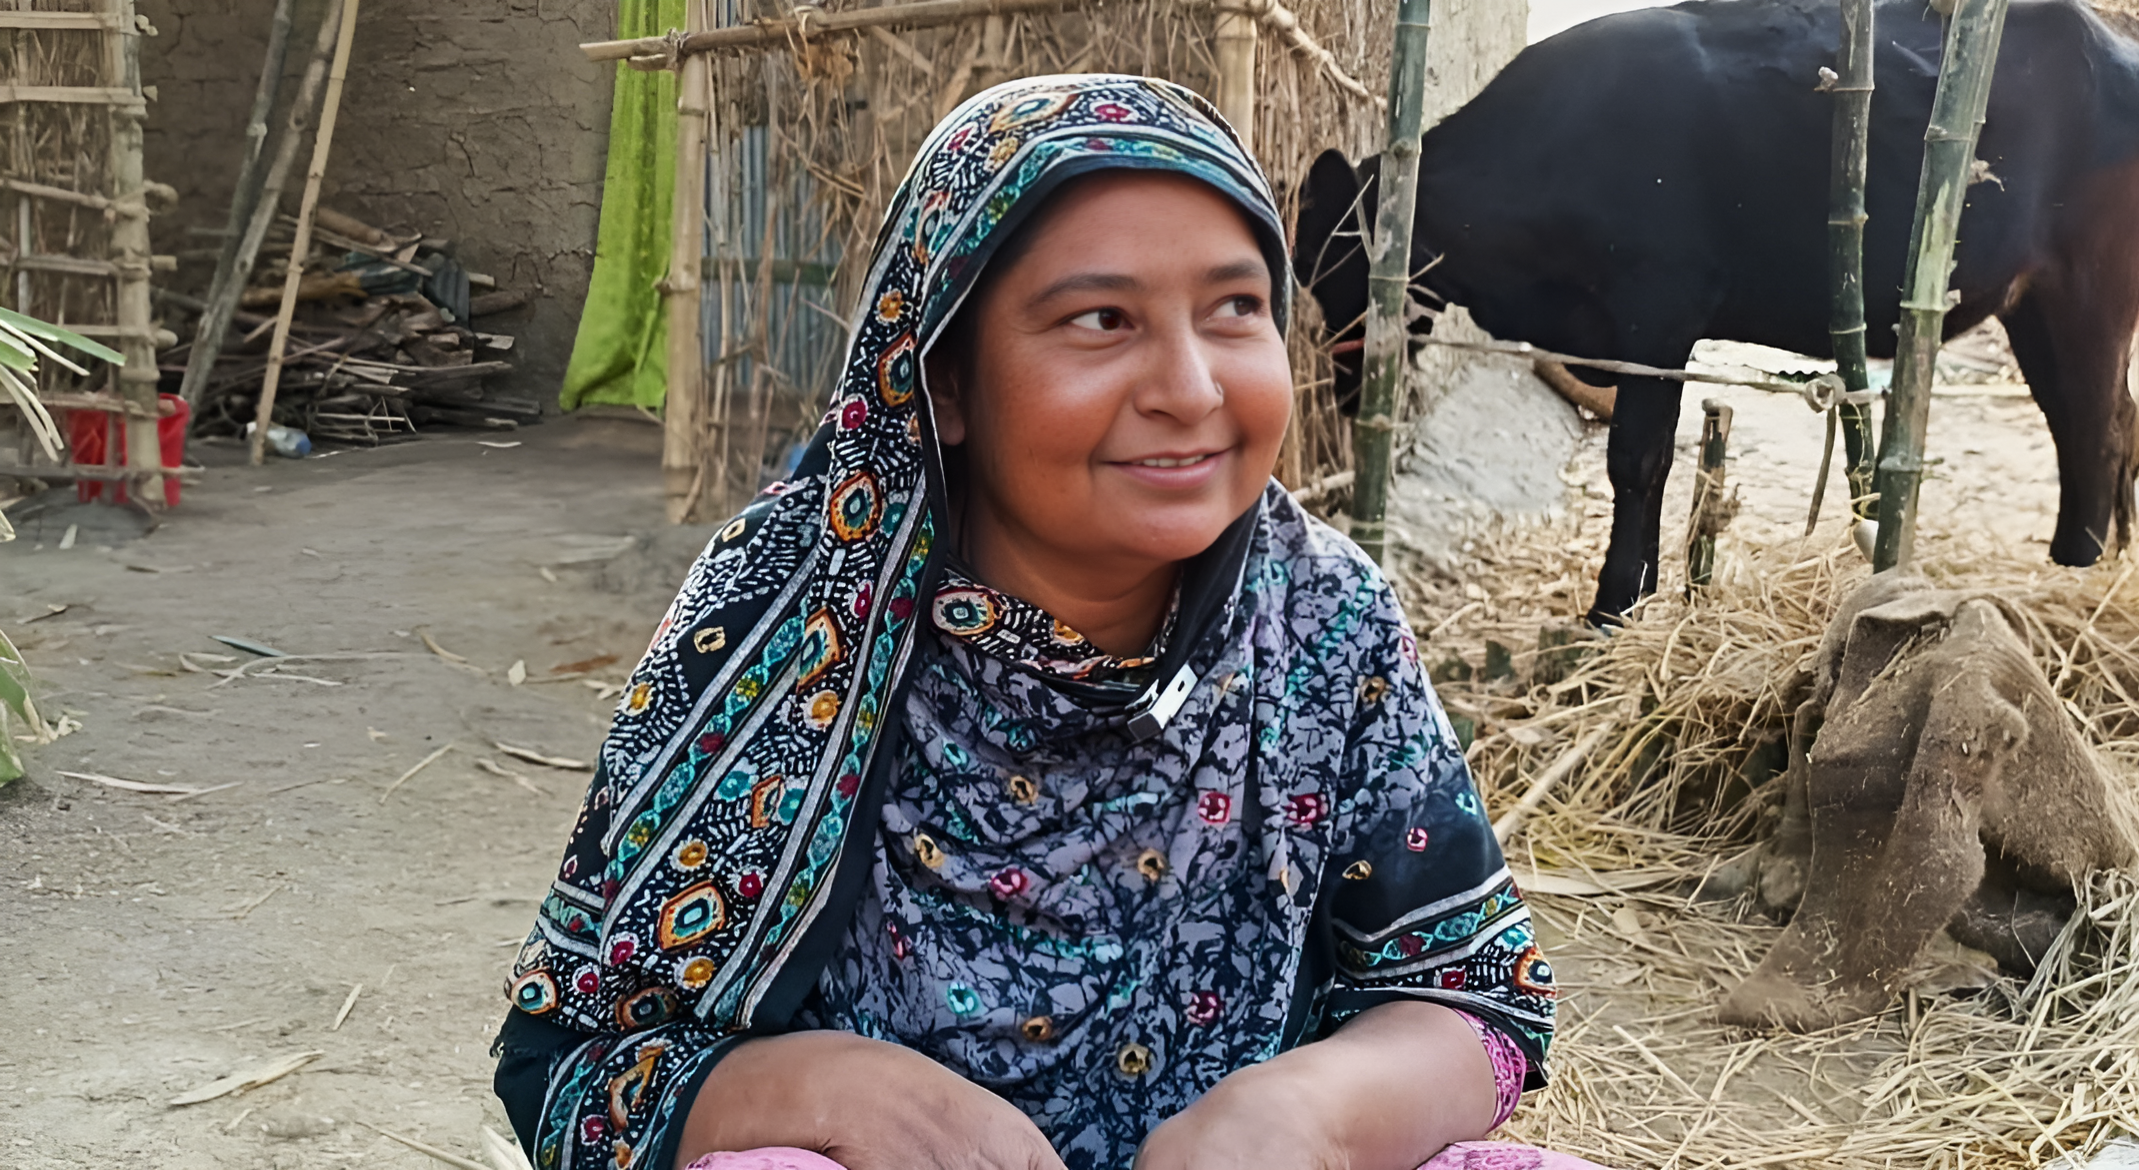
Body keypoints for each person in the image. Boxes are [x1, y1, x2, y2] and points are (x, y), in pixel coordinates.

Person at [494, 74, 1598, 1170]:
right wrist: (810, 1088)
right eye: (1100, 320)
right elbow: (579, 1065)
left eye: (1235, 309)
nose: (1193, 388)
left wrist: (1303, 1118)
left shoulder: (1321, 616)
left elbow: (1477, 1006)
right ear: (949, 384)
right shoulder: (787, 609)